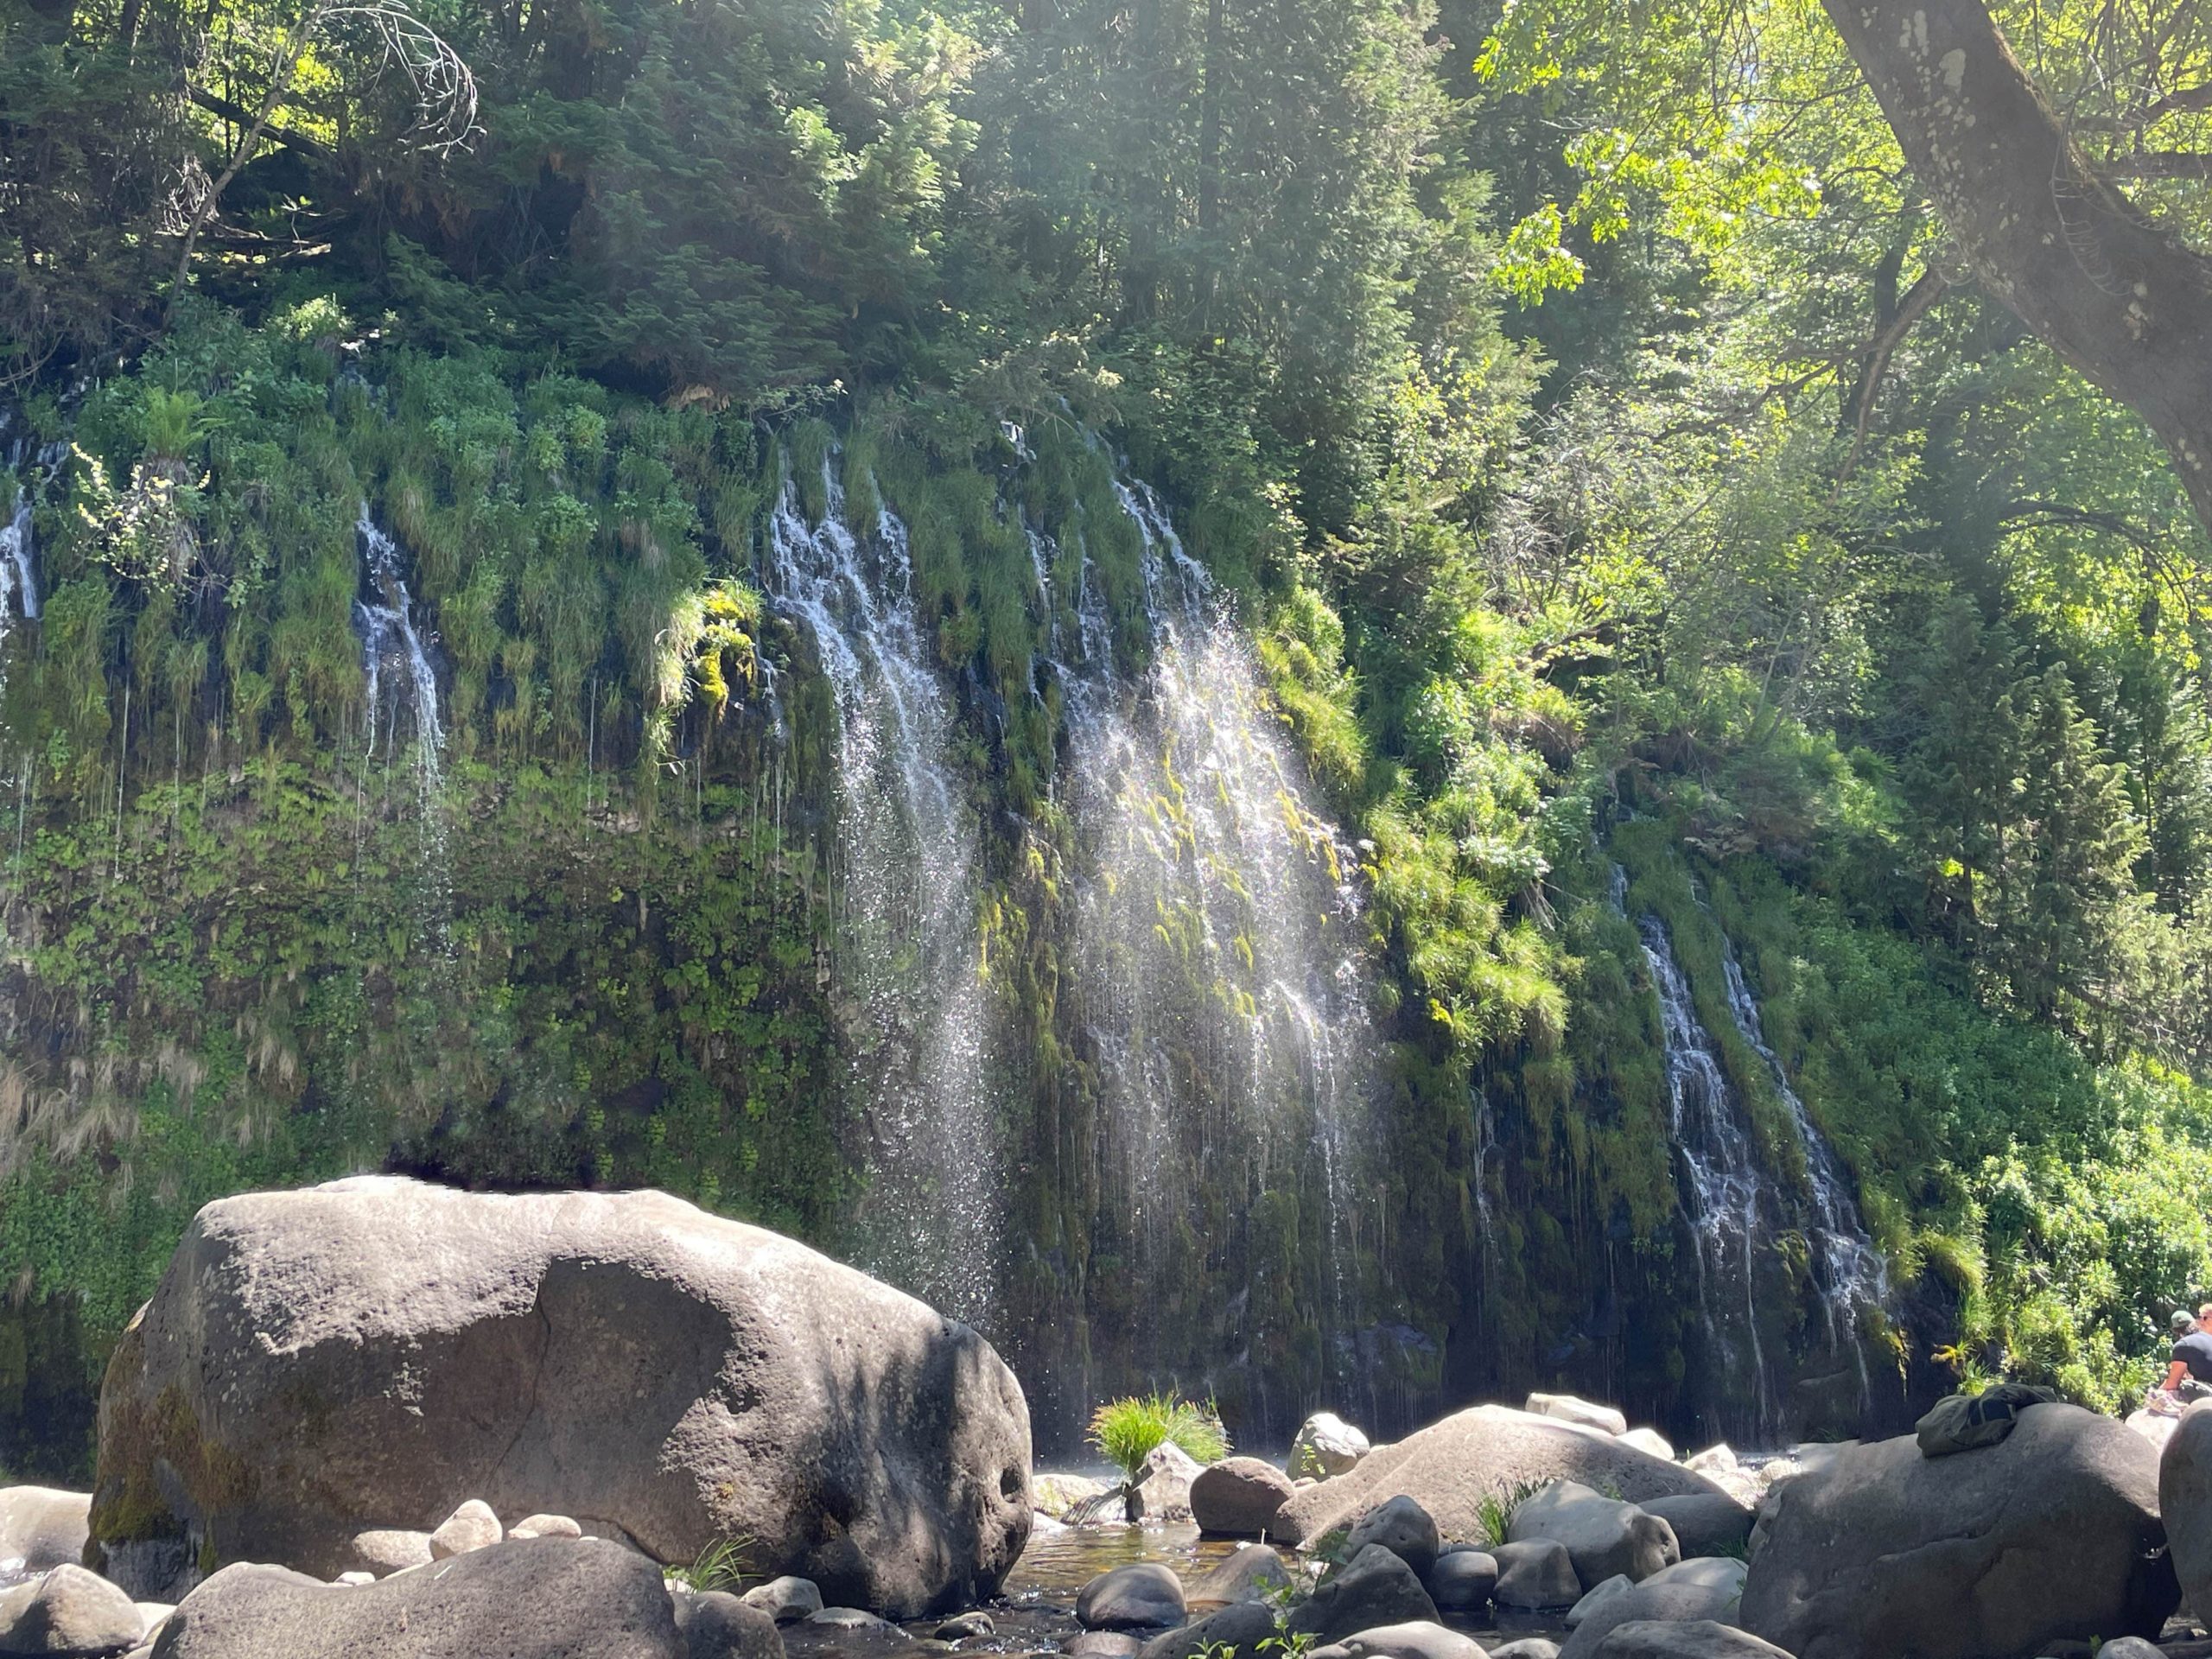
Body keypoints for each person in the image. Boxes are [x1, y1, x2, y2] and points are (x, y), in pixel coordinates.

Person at [2148, 1306, 2212, 1414]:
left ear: (2178, 1333)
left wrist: (2159, 1391)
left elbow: (2172, 1384)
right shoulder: (2209, 1339)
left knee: (2161, 1394)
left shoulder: (2183, 1345)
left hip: (2208, 1394)